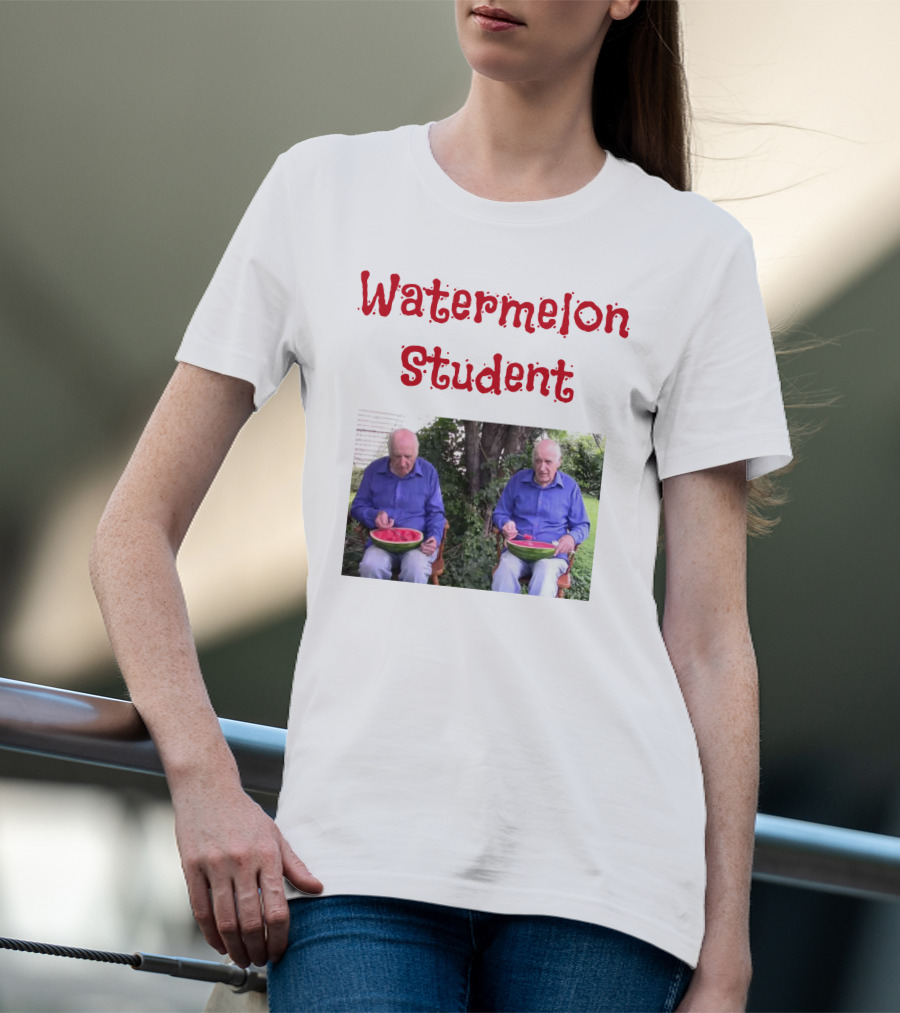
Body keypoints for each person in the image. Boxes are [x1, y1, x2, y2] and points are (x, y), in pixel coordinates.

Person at [89, 2, 793, 1011]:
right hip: (351, 866)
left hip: (609, 886)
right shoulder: (321, 192)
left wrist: (726, 955)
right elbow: (131, 530)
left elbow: (713, 639)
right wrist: (203, 776)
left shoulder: (696, 252)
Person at [492, 438, 589, 595]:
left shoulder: (570, 487)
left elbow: (583, 525)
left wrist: (572, 538)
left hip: (552, 556)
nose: (542, 467)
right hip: (518, 551)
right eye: (538, 461)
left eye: (548, 462)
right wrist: (505, 523)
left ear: (559, 462)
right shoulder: (517, 481)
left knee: (544, 574)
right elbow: (500, 512)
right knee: (504, 572)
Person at [350, 428, 445, 583]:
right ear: (389, 452)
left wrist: (434, 538)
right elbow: (357, 506)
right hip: (381, 545)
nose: (402, 463)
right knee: (370, 566)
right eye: (396, 456)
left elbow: (436, 512)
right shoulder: (373, 471)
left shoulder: (429, 473)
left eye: (408, 457)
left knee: (416, 570)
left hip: (418, 546)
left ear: (417, 453)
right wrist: (374, 516)